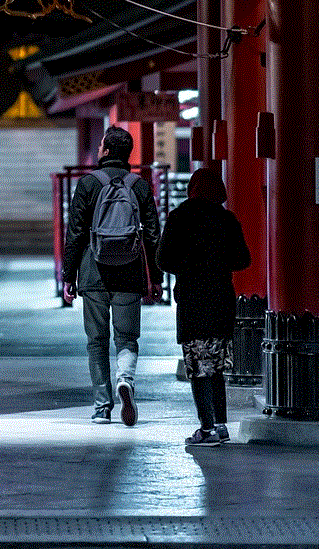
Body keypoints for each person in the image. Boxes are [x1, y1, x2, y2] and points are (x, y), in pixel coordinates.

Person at [61, 126, 163, 425]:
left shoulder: (88, 184)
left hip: (93, 271)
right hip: (130, 271)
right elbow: (153, 236)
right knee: (127, 338)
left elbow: (75, 233)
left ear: (104, 150)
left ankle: (102, 408)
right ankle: (126, 381)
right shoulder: (139, 186)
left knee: (97, 341)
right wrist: (155, 277)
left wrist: (69, 275)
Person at [155, 165, 251, 446]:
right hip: (222, 299)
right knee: (217, 368)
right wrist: (217, 264)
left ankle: (206, 428)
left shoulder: (180, 217)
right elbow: (243, 260)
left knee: (198, 367)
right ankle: (220, 425)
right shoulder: (227, 219)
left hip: (193, 299)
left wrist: (189, 267)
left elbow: (162, 260)